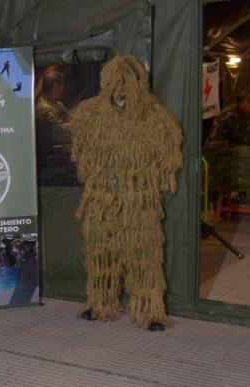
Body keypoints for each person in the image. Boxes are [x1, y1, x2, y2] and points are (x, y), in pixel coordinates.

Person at [69, 54, 183, 331]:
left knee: (144, 256)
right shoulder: (90, 113)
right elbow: (80, 154)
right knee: (100, 254)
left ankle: (149, 311)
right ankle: (100, 303)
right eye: (116, 82)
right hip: (102, 200)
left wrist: (145, 178)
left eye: (127, 82)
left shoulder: (154, 115)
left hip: (140, 201)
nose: (121, 89)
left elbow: (169, 155)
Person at [34, 66, 73, 184]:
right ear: (55, 86)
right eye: (62, 85)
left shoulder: (58, 104)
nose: (64, 88)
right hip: (50, 155)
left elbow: (72, 120)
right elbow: (59, 131)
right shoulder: (44, 108)